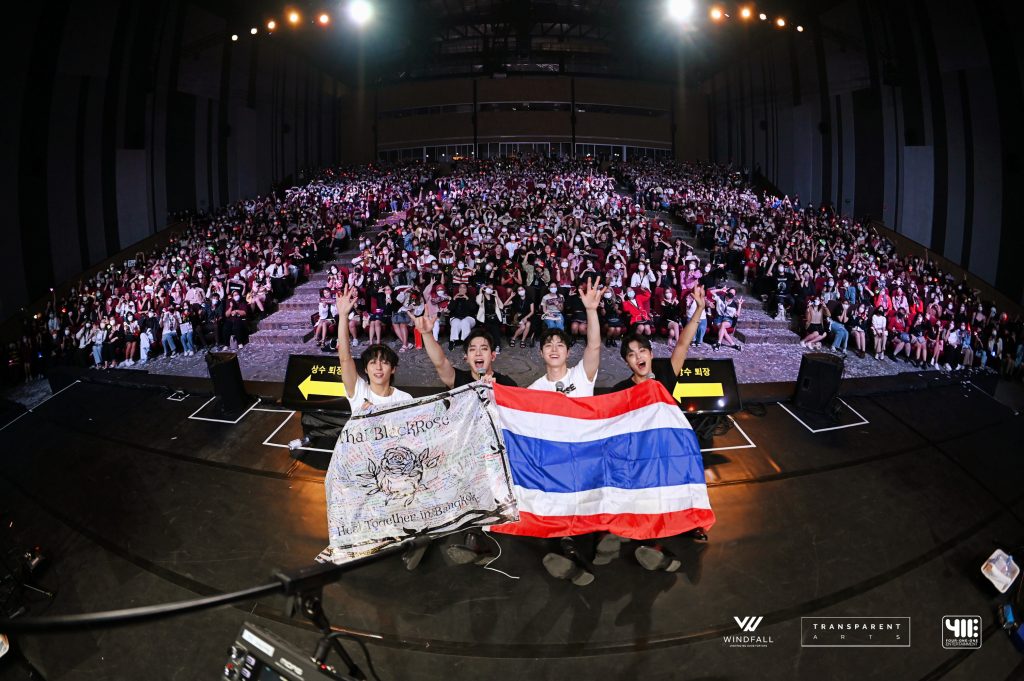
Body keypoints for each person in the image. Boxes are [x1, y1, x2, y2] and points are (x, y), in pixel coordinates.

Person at [527, 278, 606, 585]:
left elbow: (594, 345)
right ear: (541, 353)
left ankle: (592, 545)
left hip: (587, 455)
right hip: (557, 462)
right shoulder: (533, 390)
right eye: (548, 345)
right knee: (560, 510)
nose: (554, 348)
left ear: (568, 352)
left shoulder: (581, 376)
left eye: (560, 344)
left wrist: (591, 310)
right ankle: (568, 550)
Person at [334, 284, 413, 411]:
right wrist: (343, 316)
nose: (378, 367)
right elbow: (344, 359)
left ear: (393, 369)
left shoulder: (405, 398)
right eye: (373, 362)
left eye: (384, 362)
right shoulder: (358, 390)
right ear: (365, 369)